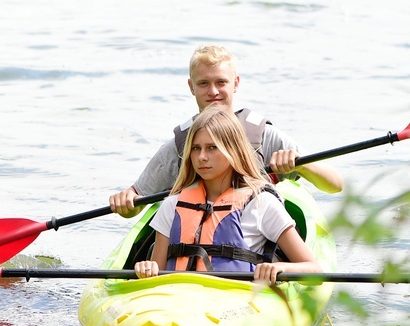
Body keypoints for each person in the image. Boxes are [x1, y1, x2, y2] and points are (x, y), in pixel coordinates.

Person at [109, 45, 343, 218]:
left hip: (254, 242)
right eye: (203, 84)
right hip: (196, 247)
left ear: (236, 84)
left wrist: (300, 164)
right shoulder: (180, 147)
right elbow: (135, 205)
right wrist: (127, 201)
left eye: (221, 82)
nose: (213, 91)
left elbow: (334, 185)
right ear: (191, 87)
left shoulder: (264, 137)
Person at [133, 106, 322, 283]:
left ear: (234, 151)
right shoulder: (172, 205)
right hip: (180, 298)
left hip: (238, 301)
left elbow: (314, 270)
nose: (202, 157)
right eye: (196, 148)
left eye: (212, 148)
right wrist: (147, 268)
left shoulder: (261, 203)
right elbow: (156, 273)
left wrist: (281, 268)